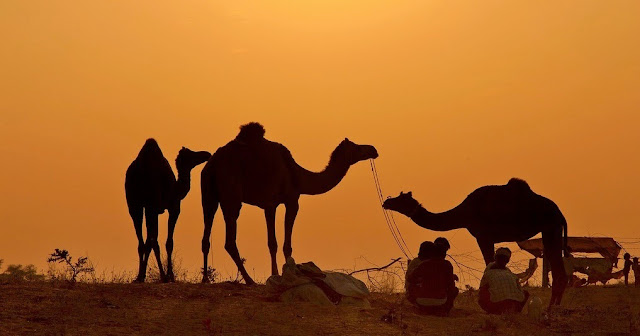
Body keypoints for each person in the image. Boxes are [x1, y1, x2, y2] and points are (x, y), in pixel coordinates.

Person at [407, 242, 459, 316]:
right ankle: (444, 310)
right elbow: (451, 286)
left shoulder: (424, 264)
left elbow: (410, 279)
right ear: (444, 254)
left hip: (422, 301)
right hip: (441, 301)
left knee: (411, 287)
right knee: (454, 289)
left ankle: (421, 308)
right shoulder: (447, 265)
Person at [478, 247, 530, 314]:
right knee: (525, 293)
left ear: (495, 258)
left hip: (497, 307)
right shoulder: (511, 275)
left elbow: (482, 288)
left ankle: (493, 311)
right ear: (507, 260)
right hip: (514, 305)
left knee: (483, 291)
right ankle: (515, 311)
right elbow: (520, 291)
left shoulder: (488, 273)